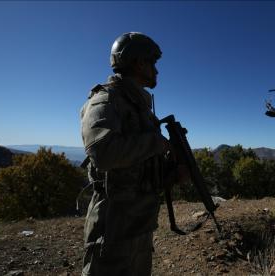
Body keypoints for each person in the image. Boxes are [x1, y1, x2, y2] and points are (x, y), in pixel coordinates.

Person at [80, 32, 173, 276]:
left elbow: (138, 164)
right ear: (139, 63)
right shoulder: (105, 99)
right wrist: (155, 142)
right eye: (152, 63)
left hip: (138, 221)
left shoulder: (138, 105)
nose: (156, 70)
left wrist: (171, 173)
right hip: (113, 226)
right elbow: (103, 152)